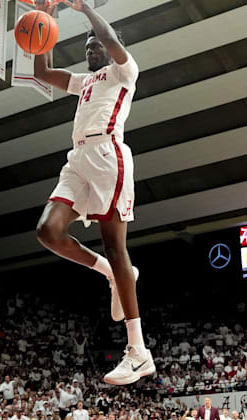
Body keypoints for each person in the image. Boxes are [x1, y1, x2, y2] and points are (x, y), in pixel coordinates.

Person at [31, 0, 153, 386]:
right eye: (85, 44)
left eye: (94, 43)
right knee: (48, 232)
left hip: (108, 155)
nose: (89, 47)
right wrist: (44, 18)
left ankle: (138, 352)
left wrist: (83, 8)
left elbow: (108, 36)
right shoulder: (84, 83)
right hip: (78, 158)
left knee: (116, 246)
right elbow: (42, 70)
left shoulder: (124, 72)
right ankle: (111, 275)